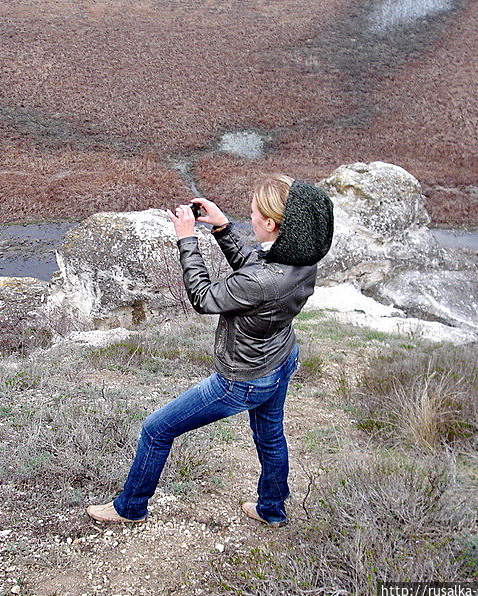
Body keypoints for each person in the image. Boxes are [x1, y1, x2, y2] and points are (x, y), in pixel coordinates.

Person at [86, 174, 334, 526]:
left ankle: (130, 507)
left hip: (243, 378)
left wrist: (186, 239)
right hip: (279, 359)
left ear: (270, 223)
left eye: (253, 214)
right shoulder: (301, 257)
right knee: (271, 436)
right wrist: (221, 228)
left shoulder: (265, 279)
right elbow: (258, 275)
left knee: (157, 430)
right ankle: (272, 510)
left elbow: (205, 298)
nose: (249, 218)